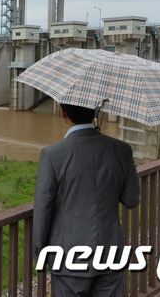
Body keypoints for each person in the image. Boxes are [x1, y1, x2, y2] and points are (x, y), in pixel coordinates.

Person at [32, 103, 140, 297]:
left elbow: (43, 209)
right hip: (110, 252)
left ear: (63, 112)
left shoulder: (52, 154)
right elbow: (131, 199)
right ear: (95, 113)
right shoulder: (122, 149)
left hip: (69, 257)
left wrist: (39, 253)